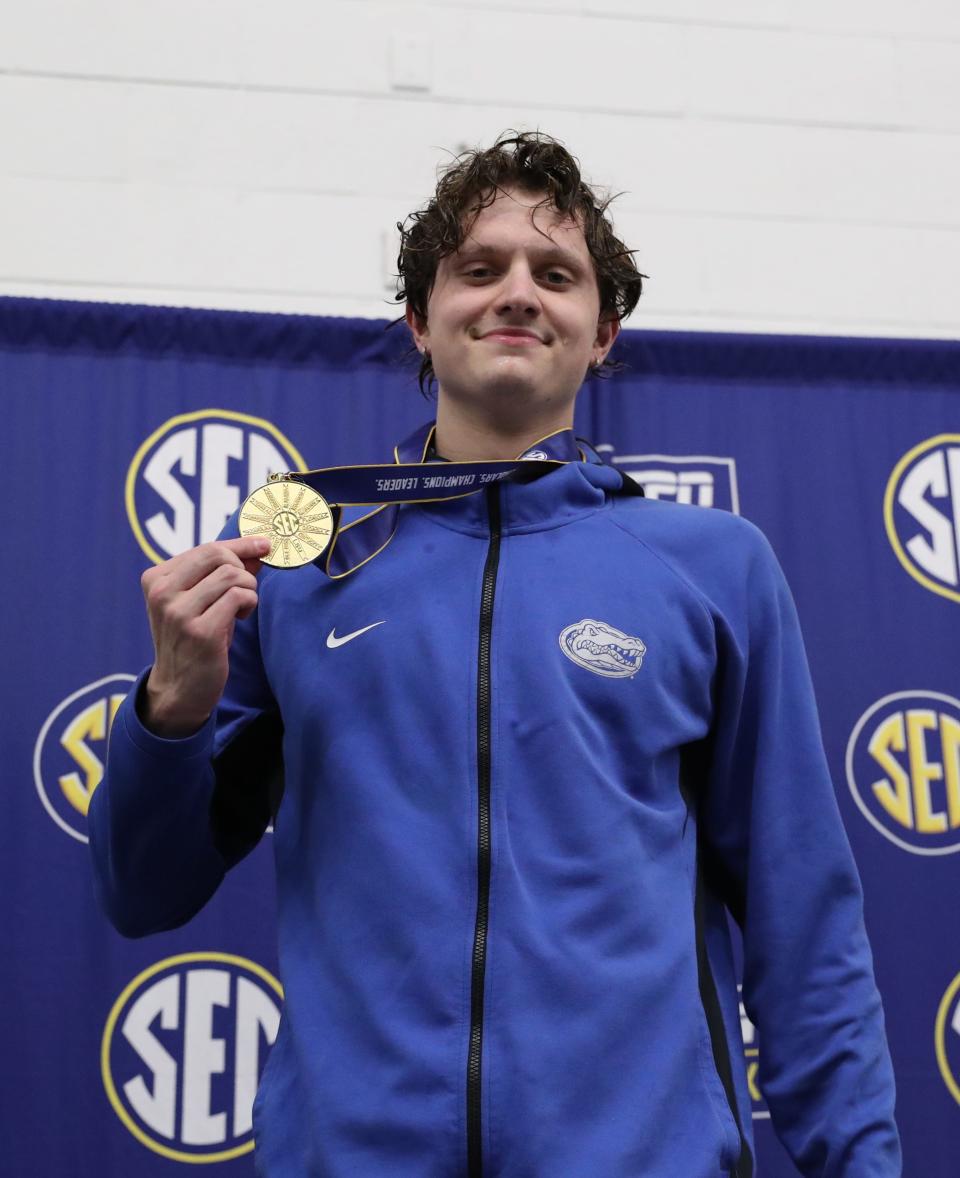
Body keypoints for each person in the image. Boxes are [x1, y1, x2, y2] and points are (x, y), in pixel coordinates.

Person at [90, 131, 901, 1177]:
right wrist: (172, 709)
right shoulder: (303, 567)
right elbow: (142, 890)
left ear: (603, 331)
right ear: (418, 322)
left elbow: (806, 927)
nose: (516, 292)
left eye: (555, 275)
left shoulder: (714, 568)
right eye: (479, 269)